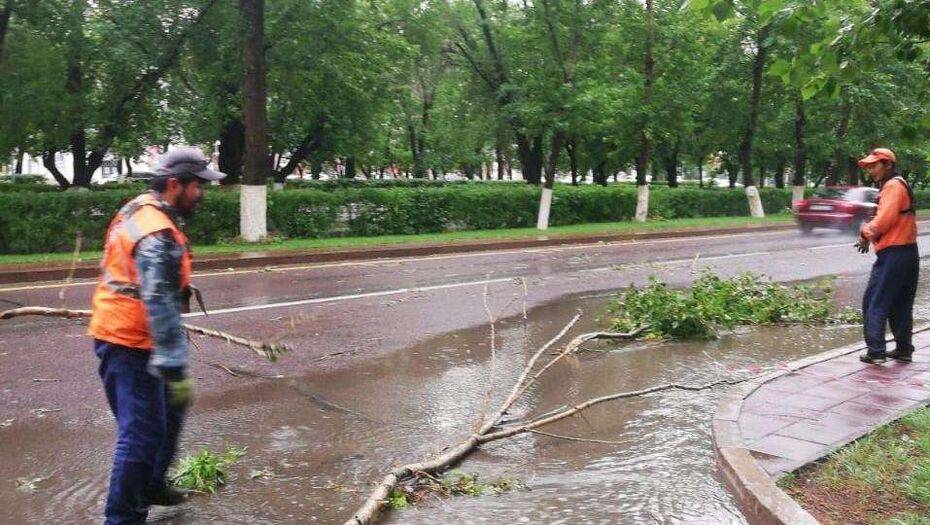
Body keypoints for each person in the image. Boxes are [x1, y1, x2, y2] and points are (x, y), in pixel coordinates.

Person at [88, 148, 226, 523]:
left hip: (133, 333)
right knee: (141, 435)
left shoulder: (142, 209)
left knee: (170, 414)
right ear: (174, 184)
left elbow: (139, 274)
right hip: (129, 342)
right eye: (197, 186)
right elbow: (159, 300)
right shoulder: (157, 232)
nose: (201, 193)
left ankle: (151, 483)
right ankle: (122, 518)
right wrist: (173, 364)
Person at [856, 147, 919, 364]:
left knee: (874, 301)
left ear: (888, 165)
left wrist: (865, 233)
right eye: (869, 167)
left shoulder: (892, 186)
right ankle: (903, 349)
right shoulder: (898, 184)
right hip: (908, 252)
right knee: (900, 303)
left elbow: (884, 219)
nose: (870, 170)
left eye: (874, 166)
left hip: (893, 254)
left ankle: (876, 352)